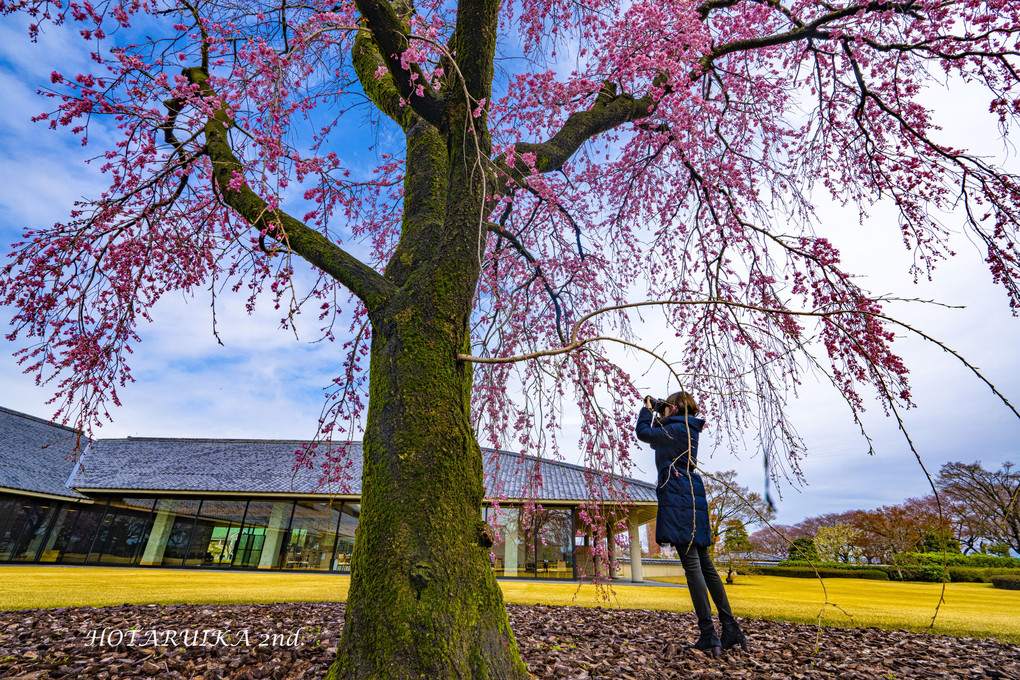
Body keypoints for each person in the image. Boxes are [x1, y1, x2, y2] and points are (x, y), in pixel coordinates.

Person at [636, 391, 748, 657]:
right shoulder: (687, 429)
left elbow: (643, 433)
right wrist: (660, 414)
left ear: (673, 409)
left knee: (693, 566)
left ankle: (709, 633)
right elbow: (655, 443)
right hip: (693, 495)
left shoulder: (672, 428)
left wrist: (648, 410)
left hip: (677, 495)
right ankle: (730, 628)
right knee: (706, 565)